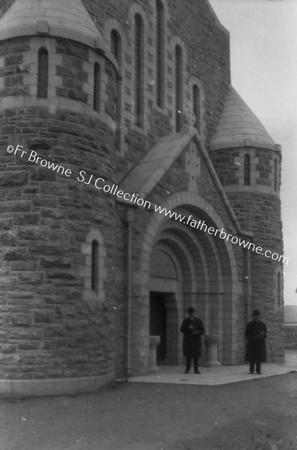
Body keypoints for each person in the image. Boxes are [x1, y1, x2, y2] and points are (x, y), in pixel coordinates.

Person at [180, 306, 205, 374]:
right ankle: (187, 369)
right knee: (188, 356)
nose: (191, 314)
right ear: (188, 314)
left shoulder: (199, 321)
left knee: (196, 356)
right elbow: (181, 329)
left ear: (195, 313)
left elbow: (202, 330)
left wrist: (197, 332)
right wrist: (188, 328)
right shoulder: (185, 321)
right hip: (188, 341)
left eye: (193, 313)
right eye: (190, 313)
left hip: (196, 340)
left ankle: (196, 369)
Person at [245, 309, 267, 374]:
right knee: (252, 358)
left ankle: (258, 370)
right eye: (255, 316)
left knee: (258, 358)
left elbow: (264, 334)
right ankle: (251, 370)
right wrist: (251, 339)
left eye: (258, 316)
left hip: (259, 344)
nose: (256, 317)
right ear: (253, 317)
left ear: (259, 316)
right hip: (252, 343)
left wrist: (260, 338)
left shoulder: (262, 325)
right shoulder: (249, 324)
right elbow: (246, 334)